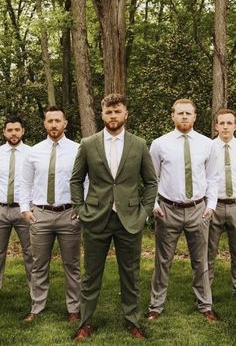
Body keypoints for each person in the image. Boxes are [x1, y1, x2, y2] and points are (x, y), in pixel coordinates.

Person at [70, 93, 157, 341]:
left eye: (117, 111)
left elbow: (151, 182)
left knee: (130, 274)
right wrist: (80, 208)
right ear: (102, 114)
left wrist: (145, 211)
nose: (113, 116)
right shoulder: (88, 144)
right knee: (90, 274)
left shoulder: (139, 144)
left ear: (125, 114)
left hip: (129, 219)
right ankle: (85, 323)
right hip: (96, 217)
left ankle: (132, 322)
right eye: (109, 112)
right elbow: (76, 180)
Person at [148, 98, 219, 322]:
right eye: (180, 113)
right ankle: (156, 306)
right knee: (163, 261)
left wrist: (211, 205)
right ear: (173, 116)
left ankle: (205, 305)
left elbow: (213, 177)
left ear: (195, 116)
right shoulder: (159, 144)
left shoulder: (207, 144)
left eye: (188, 113)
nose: (185, 117)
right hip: (168, 210)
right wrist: (154, 204)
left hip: (198, 209)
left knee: (201, 260)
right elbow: (152, 178)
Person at [20, 106, 81, 322]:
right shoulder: (33, 152)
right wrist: (25, 209)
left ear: (65, 123)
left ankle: (74, 308)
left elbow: (88, 181)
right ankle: (37, 307)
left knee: (72, 264)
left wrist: (81, 210)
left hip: (69, 214)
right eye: (50, 121)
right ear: (44, 124)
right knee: (38, 264)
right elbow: (25, 182)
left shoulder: (78, 150)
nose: (53, 124)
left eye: (57, 120)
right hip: (41, 215)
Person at [0, 116, 32, 290]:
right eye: (10, 130)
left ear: (22, 131)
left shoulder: (32, 153)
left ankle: (36, 294)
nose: (13, 133)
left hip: (25, 210)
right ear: (4, 132)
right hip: (1, 210)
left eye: (17, 130)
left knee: (30, 253)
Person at [208, 108, 236, 293]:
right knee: (208, 251)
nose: (225, 127)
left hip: (235, 205)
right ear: (216, 126)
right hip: (214, 206)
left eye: (229, 123)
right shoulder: (207, 148)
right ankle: (204, 290)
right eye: (222, 123)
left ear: (235, 126)